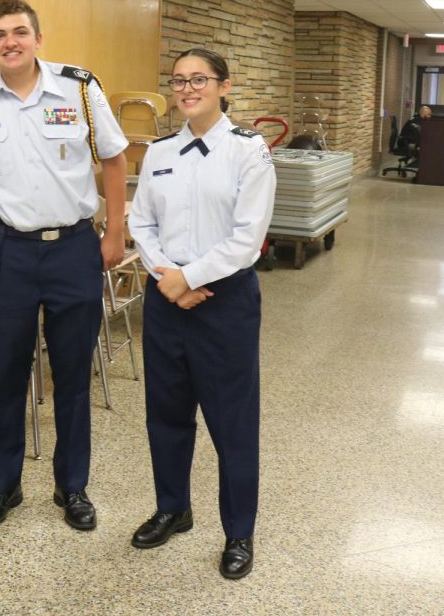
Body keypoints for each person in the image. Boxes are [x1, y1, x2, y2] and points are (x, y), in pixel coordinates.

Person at [0, 0, 128, 531]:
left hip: (74, 247)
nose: (10, 42)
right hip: (7, 249)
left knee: (72, 375)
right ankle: (2, 488)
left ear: (38, 37)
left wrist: (115, 231)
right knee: (6, 373)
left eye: (19, 32)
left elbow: (114, 158)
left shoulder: (79, 87)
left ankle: (71, 487)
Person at [126, 47, 276, 580]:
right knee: (165, 415)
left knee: (232, 423)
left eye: (200, 80)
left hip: (224, 303)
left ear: (224, 87)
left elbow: (247, 238)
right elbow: (140, 222)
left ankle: (239, 532)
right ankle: (173, 508)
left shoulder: (248, 152)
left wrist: (187, 279)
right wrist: (168, 277)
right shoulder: (160, 151)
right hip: (168, 301)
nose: (188, 89)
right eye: (179, 81)